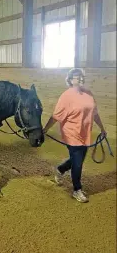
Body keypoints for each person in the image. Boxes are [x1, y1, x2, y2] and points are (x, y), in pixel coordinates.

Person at [43, 68, 106, 203]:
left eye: (82, 76)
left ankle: (60, 169)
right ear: (71, 80)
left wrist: (102, 128)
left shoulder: (89, 94)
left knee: (77, 160)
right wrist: (46, 128)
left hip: (85, 133)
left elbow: (94, 113)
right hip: (71, 132)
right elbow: (56, 116)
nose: (81, 78)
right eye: (77, 77)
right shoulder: (66, 96)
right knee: (78, 163)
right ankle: (77, 190)